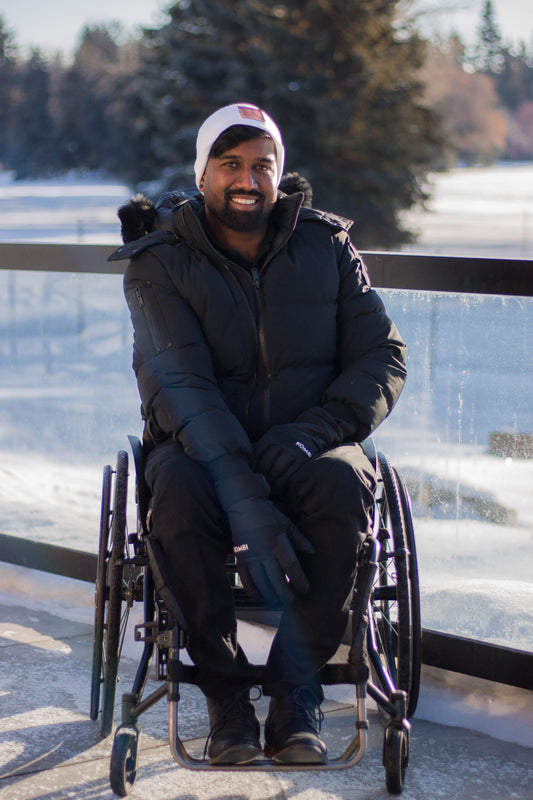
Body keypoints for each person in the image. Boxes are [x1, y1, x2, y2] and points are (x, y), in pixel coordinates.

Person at [110, 103, 407, 766]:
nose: (246, 179)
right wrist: (246, 497)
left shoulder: (325, 247)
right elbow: (181, 391)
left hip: (303, 444)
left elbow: (381, 356)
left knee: (342, 481)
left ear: (278, 175)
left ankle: (295, 691)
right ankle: (225, 694)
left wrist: (314, 433)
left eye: (260, 166)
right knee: (180, 494)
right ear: (204, 171)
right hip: (198, 449)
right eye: (230, 164)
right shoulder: (159, 263)